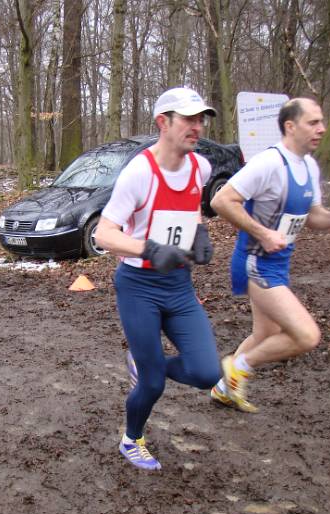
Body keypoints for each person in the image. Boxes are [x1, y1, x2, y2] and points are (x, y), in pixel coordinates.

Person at [210, 98, 330, 413]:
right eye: (313, 122)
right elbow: (221, 201)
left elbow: (314, 217)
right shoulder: (269, 163)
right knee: (306, 335)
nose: (322, 129)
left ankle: (224, 389)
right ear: (290, 126)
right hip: (255, 263)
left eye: (322, 122)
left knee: (265, 333)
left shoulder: (308, 165)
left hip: (278, 264)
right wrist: (263, 233)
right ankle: (238, 367)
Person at [94, 87, 221, 471]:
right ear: (163, 122)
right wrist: (149, 249)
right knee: (152, 385)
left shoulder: (201, 167)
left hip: (179, 286)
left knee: (207, 372)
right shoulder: (139, 173)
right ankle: (132, 439)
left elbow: (191, 209)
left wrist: (199, 234)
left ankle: (146, 363)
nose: (197, 127)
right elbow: (104, 234)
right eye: (188, 119)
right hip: (139, 288)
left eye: (201, 119)